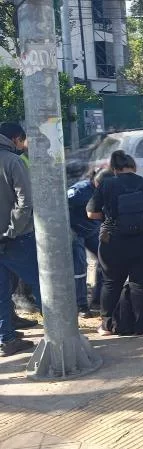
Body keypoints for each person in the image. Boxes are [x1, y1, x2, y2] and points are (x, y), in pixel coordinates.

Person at [87, 150, 143, 336]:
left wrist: (110, 217)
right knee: (141, 284)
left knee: (111, 283)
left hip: (114, 242)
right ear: (134, 167)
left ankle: (106, 326)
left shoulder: (107, 184)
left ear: (114, 169)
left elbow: (91, 213)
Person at [0, 123, 41, 356]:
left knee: (1, 293)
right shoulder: (12, 161)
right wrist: (12, 231)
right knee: (42, 285)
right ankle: (59, 334)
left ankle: (6, 339)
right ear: (16, 139)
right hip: (15, 239)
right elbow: (25, 202)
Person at [68, 168, 113, 317]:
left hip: (92, 230)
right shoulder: (79, 191)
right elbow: (61, 206)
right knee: (80, 264)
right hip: (75, 230)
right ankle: (80, 304)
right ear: (96, 182)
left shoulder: (111, 188)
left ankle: (99, 298)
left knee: (106, 257)